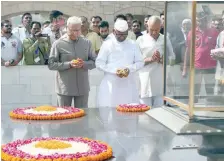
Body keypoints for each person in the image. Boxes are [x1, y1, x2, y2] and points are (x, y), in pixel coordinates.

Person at [48, 16, 96, 108]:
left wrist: (84, 64)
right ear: (67, 28)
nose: (75, 33)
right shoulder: (58, 44)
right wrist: (69, 64)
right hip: (65, 89)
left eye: (77, 30)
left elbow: (94, 62)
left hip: (82, 88)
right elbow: (51, 64)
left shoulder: (87, 43)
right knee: (64, 117)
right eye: (72, 30)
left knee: (83, 118)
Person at [96, 19, 144, 107]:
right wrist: (115, 70)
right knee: (110, 115)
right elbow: (99, 63)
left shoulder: (133, 44)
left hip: (128, 85)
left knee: (129, 113)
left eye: (124, 34)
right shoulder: (107, 44)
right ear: (114, 31)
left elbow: (140, 62)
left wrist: (129, 69)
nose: (122, 36)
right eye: (119, 34)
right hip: (111, 85)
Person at [137, 16, 175, 108]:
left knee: (160, 113)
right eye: (151, 30)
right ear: (147, 26)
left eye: (156, 30)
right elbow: (136, 62)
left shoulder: (165, 39)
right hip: (145, 81)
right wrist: (150, 59)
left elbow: (173, 58)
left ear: (161, 27)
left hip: (161, 82)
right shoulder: (140, 40)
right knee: (145, 114)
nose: (154, 32)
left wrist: (162, 60)